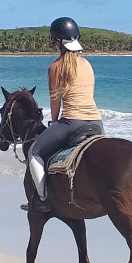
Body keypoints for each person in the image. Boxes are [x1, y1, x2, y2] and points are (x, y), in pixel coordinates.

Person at [24, 16, 105, 213]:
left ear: (57, 42)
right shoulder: (87, 64)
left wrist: (54, 122)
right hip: (97, 122)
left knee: (34, 152)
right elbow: (89, 93)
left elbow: (55, 101)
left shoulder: (55, 67)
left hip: (72, 122)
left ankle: (43, 198)